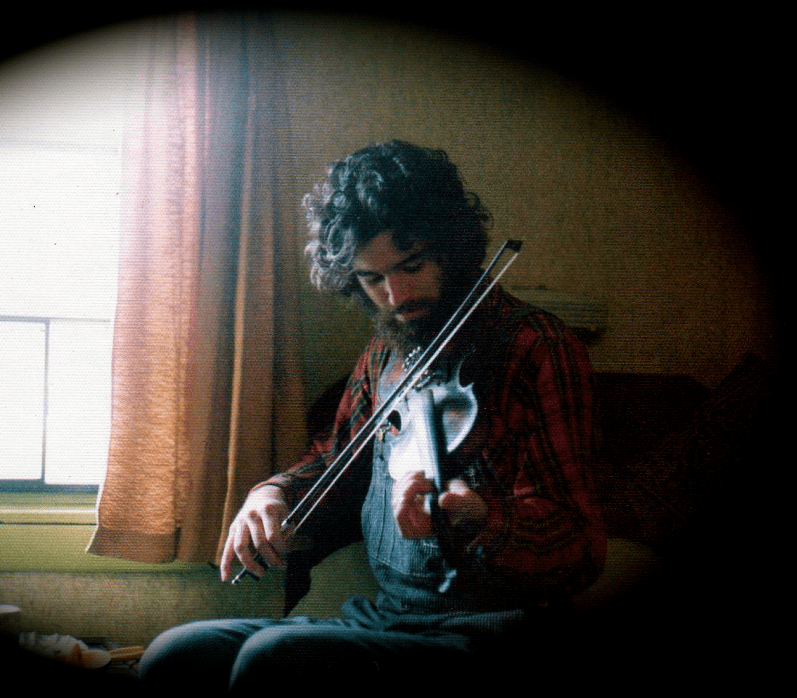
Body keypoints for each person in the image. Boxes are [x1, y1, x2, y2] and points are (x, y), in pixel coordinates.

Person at [138, 140, 606, 692]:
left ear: (452, 247)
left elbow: (581, 545)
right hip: (389, 622)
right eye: (372, 279)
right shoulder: (384, 357)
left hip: (493, 633)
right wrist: (271, 493)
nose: (396, 295)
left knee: (275, 659)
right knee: (176, 654)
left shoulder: (538, 348)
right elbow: (332, 460)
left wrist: (484, 516)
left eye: (413, 266)